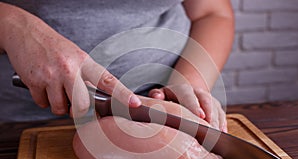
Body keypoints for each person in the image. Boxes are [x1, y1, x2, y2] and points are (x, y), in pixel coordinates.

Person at [0, 0, 234, 131]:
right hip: (22, 122)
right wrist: (14, 25)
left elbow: (212, 13)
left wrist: (188, 83)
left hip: (159, 111)